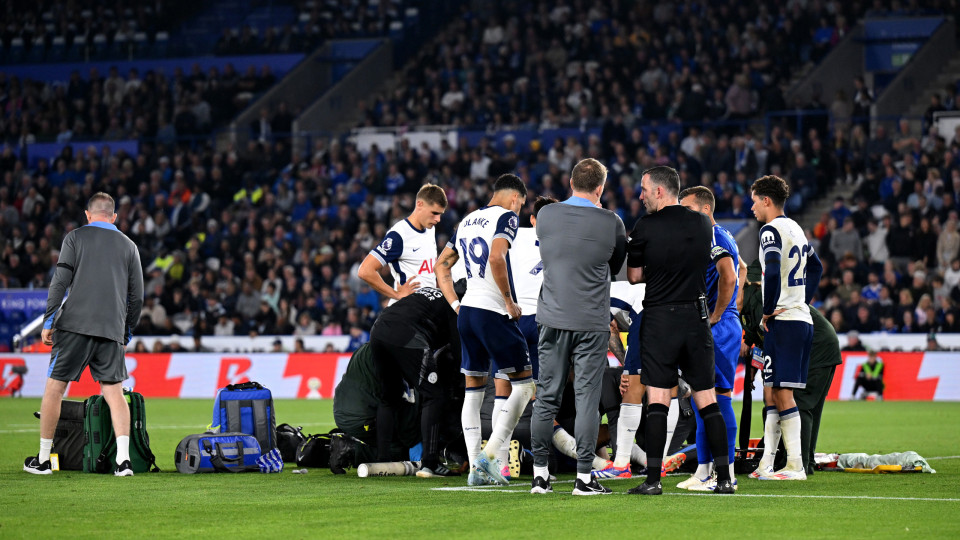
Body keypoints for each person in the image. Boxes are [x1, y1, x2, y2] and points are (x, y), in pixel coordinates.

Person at [625, 166, 735, 495]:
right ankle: (724, 479)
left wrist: (655, 266)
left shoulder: (644, 226)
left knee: (658, 400)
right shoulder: (702, 223)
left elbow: (633, 276)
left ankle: (653, 480)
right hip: (697, 318)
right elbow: (721, 265)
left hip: (660, 318)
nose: (640, 195)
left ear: (660, 191)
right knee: (707, 399)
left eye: (644, 189)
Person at [26, 193, 144, 476]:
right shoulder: (129, 246)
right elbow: (137, 296)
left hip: (74, 326)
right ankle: (124, 461)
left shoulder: (75, 237)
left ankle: (43, 460)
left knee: (55, 388)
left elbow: (60, 281)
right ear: (113, 217)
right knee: (114, 393)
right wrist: (125, 329)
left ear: (88, 215)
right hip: (110, 329)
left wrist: (48, 320)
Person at [530, 158, 627, 496]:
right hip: (591, 321)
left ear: (571, 183)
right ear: (600, 188)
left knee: (547, 397)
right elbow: (615, 265)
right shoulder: (611, 222)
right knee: (587, 400)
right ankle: (584, 478)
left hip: (552, 318)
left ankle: (540, 476)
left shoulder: (545, 216)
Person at [435, 174, 534, 486]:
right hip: (492, 311)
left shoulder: (467, 220)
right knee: (525, 385)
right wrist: (509, 301)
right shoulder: (506, 217)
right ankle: (487, 459)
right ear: (516, 199)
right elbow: (496, 256)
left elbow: (442, 265)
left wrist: (454, 303)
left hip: (467, 311)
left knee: (474, 391)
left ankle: (477, 472)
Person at [749, 175, 824, 481]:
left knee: (782, 394)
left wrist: (767, 311)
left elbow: (771, 269)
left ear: (767, 200)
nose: (752, 207)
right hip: (799, 317)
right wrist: (802, 299)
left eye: (755, 200)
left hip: (785, 321)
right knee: (774, 392)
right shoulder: (796, 229)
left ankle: (795, 465)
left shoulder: (770, 231)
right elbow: (816, 267)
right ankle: (768, 464)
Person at [741, 260, 841, 475]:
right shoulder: (756, 299)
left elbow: (766, 334)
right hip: (821, 343)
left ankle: (798, 464)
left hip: (815, 346)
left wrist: (762, 368)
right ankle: (804, 461)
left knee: (799, 403)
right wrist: (755, 367)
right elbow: (758, 338)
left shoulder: (758, 297)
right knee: (807, 407)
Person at [676, 186, 746, 491]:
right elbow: (742, 269)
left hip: (717, 325)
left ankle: (722, 469)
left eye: (687, 210)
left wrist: (720, 313)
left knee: (718, 397)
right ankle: (704, 470)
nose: (683, 217)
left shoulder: (715, 236)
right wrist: (733, 307)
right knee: (705, 396)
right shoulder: (718, 236)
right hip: (718, 322)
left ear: (705, 210)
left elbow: (730, 275)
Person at [486, 195, 558, 480]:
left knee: (502, 393)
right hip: (542, 321)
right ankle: (543, 467)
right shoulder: (562, 240)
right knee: (540, 398)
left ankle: (499, 464)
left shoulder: (511, 235)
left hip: (510, 317)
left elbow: (493, 262)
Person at [366, 279, 467, 477]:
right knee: (434, 395)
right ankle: (430, 463)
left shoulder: (430, 292)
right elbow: (459, 354)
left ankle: (382, 462)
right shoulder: (455, 308)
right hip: (407, 335)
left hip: (379, 330)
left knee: (389, 396)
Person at [358, 184, 448, 305]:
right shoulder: (399, 235)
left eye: (440, 214)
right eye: (434, 213)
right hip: (406, 311)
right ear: (420, 204)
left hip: (426, 309)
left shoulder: (430, 228)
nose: (438, 219)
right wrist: (396, 294)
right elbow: (365, 270)